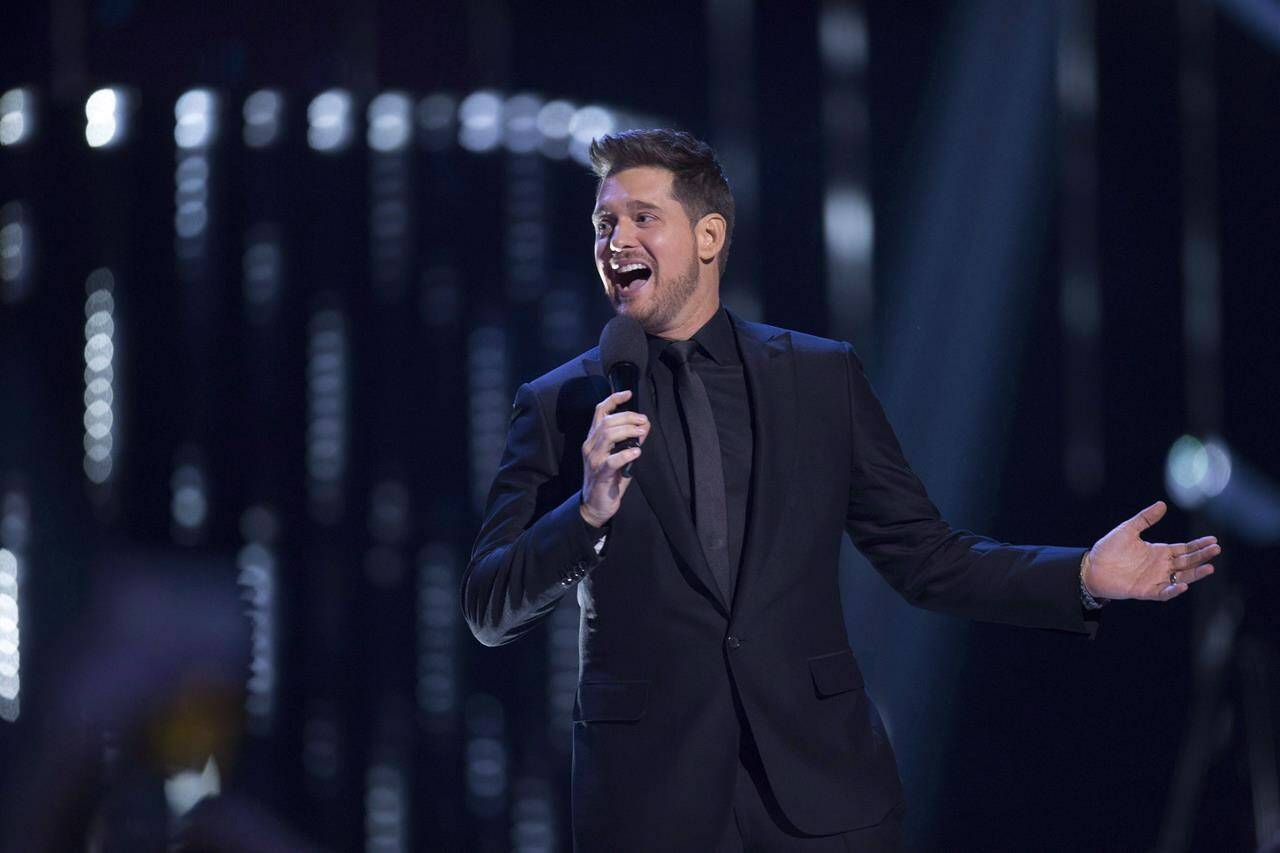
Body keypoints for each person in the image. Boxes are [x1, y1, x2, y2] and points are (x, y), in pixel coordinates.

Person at [461, 129, 1220, 851]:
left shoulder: (818, 377)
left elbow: (925, 555)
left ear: (709, 236)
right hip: (650, 804)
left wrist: (1081, 574)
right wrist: (586, 510)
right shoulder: (560, 404)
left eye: (641, 218)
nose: (616, 241)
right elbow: (490, 606)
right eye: (603, 223)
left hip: (823, 796)